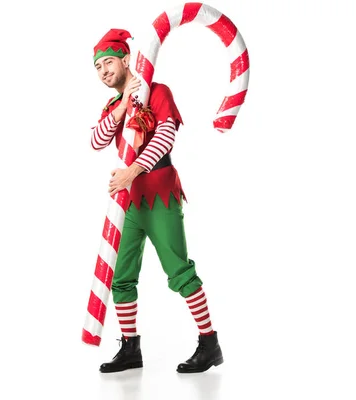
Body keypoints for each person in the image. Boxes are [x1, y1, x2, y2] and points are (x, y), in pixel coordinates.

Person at [90, 28, 224, 374]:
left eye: (108, 62)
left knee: (179, 271)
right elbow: (96, 140)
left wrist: (132, 171)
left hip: (160, 194)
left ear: (125, 59)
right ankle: (130, 347)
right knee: (121, 276)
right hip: (128, 203)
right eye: (97, 67)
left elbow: (165, 135)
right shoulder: (114, 105)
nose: (103, 71)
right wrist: (121, 107)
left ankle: (210, 344)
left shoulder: (158, 92)